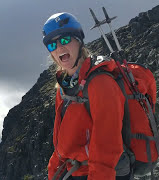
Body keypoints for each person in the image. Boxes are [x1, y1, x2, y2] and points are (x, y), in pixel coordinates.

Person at [42, 12, 131, 180]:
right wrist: (53, 172)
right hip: (77, 171)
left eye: (65, 40)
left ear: (79, 41)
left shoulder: (101, 82)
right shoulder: (64, 87)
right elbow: (61, 142)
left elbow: (107, 143)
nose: (60, 48)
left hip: (107, 173)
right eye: (52, 45)